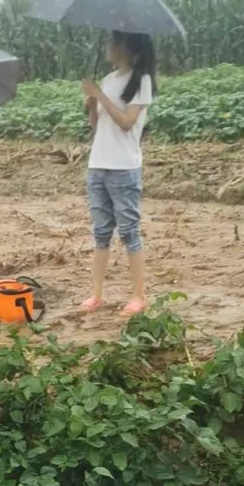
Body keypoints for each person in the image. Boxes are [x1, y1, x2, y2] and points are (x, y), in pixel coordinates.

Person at [80, 31, 156, 318]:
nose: (107, 46)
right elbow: (97, 126)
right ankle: (96, 294)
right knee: (101, 231)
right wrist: (92, 105)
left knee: (128, 231)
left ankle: (138, 295)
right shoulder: (109, 79)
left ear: (126, 45)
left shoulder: (141, 80)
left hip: (123, 167)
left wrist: (100, 96)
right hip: (98, 164)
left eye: (111, 42)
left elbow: (127, 122)